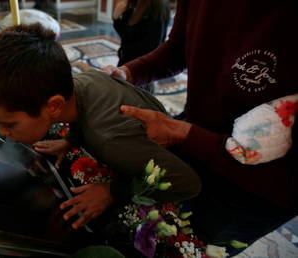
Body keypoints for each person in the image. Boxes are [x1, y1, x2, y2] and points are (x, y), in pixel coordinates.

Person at [102, 0, 297, 255]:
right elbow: (178, 48)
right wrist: (129, 72)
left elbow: (287, 180)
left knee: (184, 245)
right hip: (195, 138)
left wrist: (183, 134)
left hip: (256, 187)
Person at [0, 24, 201, 231]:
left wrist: (111, 191)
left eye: (9, 124)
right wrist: (71, 141)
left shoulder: (108, 140)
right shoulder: (78, 83)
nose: (3, 132)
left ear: (54, 106)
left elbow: (188, 183)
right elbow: (83, 115)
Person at [113, 0, 170, 66]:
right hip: (127, 63)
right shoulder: (134, 2)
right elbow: (127, 34)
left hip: (142, 67)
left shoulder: (157, 5)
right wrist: (116, 18)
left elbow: (152, 45)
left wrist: (124, 52)